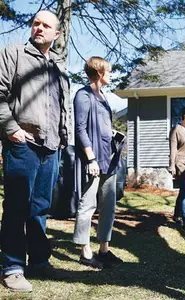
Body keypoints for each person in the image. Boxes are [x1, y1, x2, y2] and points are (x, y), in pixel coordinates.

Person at [0, 10, 69, 292]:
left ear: (56, 34)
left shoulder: (58, 64)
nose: (39, 28)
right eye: (36, 23)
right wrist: (11, 129)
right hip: (22, 143)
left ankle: (39, 260)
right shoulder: (14, 53)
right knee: (17, 206)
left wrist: (63, 139)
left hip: (51, 147)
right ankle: (13, 267)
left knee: (41, 207)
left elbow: (61, 106)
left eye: (46, 25)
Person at [73, 56, 124, 269]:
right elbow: (80, 129)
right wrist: (90, 158)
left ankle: (104, 249)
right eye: (109, 72)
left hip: (108, 159)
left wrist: (111, 133)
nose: (111, 76)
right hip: (92, 160)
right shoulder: (83, 95)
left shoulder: (102, 96)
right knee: (88, 205)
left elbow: (100, 124)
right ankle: (85, 252)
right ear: (100, 72)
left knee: (109, 206)